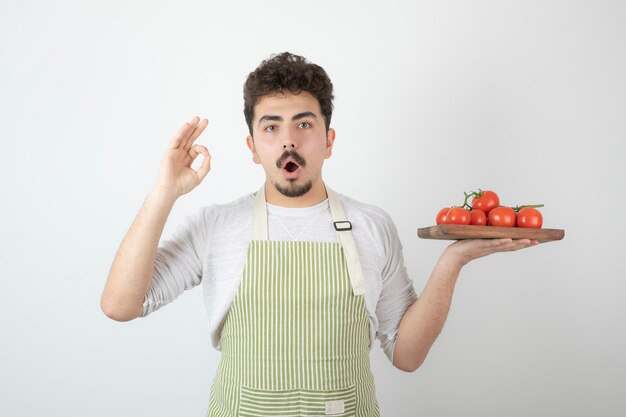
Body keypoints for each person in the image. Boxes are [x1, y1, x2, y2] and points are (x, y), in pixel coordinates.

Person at [101, 52, 538, 416]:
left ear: (328, 141)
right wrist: (164, 193)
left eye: (304, 124)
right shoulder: (216, 226)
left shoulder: (371, 225)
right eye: (271, 127)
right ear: (252, 147)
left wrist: (452, 260)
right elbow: (120, 306)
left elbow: (406, 356)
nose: (288, 141)